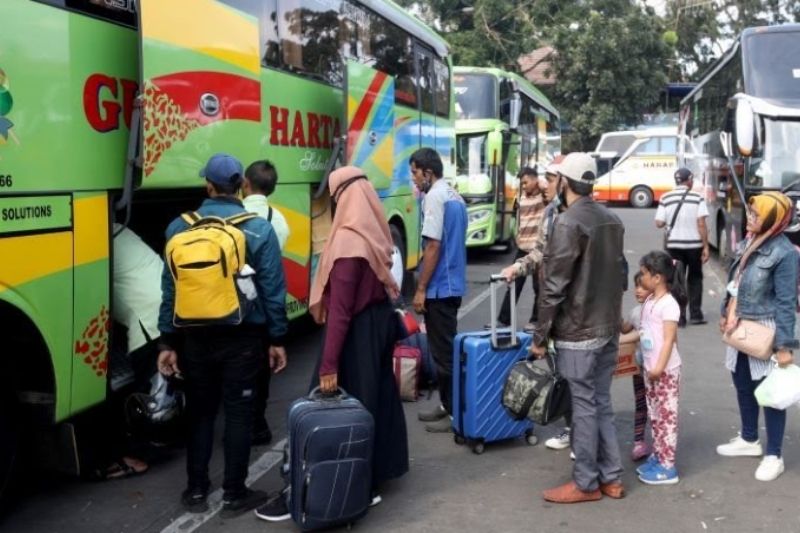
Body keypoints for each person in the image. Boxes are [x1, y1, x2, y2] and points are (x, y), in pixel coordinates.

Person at [255, 166, 408, 522]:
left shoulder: (348, 244)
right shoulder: (374, 233)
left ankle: (319, 489)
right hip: (378, 326)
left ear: (342, 198)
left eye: (335, 197)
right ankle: (372, 478)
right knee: (376, 398)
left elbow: (339, 312)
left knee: (324, 403)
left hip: (356, 332)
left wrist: (328, 364)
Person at [157, 153, 288, 517]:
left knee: (200, 413)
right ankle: (234, 493)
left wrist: (167, 342)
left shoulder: (178, 228)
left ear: (208, 185)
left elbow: (170, 289)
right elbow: (273, 290)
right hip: (243, 338)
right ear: (239, 187)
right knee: (239, 413)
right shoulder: (258, 229)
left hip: (194, 339)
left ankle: (196, 490)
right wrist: (277, 338)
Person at [529, 152, 627, 503]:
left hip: (578, 331)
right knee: (600, 401)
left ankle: (586, 483)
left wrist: (539, 338)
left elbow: (553, 287)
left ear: (565, 183)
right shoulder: (612, 220)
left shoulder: (568, 223)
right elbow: (622, 275)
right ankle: (611, 478)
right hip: (607, 327)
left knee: (584, 406)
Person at [716, 192, 798, 482]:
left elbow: (787, 302)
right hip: (739, 325)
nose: (749, 218)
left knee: (770, 393)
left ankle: (774, 455)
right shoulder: (749, 241)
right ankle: (750, 439)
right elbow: (734, 283)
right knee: (740, 381)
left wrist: (785, 345)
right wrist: (725, 310)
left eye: (756, 215)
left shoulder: (785, 253)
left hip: (764, 329)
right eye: (750, 213)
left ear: (774, 219)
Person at [500, 155, 571, 453]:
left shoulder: (590, 216)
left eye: (552, 179)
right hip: (559, 305)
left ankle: (585, 442)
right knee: (563, 370)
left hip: (581, 311)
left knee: (580, 377)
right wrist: (518, 267)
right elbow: (540, 252)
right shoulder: (552, 213)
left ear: (566, 181)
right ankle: (573, 428)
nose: (545, 185)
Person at [88, 224, 163, 480]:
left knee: (147, 395)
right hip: (165, 308)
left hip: (147, 319)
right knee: (165, 383)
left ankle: (140, 456)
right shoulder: (119, 230)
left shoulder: (93, 238)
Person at [410, 148, 468, 433]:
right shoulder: (453, 194)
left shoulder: (434, 197)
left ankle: (455, 413)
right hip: (453, 283)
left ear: (427, 172)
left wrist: (421, 288)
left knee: (444, 355)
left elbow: (432, 245)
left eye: (415, 172)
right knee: (446, 352)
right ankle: (448, 405)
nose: (414, 178)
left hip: (440, 288)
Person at [242, 159, 290, 446]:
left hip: (235, 305)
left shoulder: (233, 216)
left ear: (245, 184)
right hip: (263, 305)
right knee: (261, 370)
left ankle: (241, 424)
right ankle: (258, 423)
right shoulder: (279, 220)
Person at [636, 251, 684, 485]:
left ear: (657, 278)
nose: (641, 278)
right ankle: (658, 454)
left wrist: (659, 367)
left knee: (666, 417)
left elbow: (668, 340)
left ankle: (668, 465)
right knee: (655, 415)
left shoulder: (669, 304)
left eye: (644, 273)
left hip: (664, 371)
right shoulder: (650, 301)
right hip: (651, 369)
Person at [490, 166, 545, 332]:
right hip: (522, 248)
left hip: (537, 250)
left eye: (526, 182)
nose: (524, 186)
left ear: (535, 179)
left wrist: (541, 183)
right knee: (512, 283)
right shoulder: (520, 197)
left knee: (539, 287)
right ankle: (503, 320)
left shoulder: (544, 195)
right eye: (522, 183)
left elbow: (547, 186)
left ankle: (535, 321)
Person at [654, 168, 710, 325]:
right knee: (695, 278)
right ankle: (696, 315)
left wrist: (670, 222)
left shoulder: (666, 197)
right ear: (690, 180)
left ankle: (679, 317)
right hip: (694, 246)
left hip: (673, 247)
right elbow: (701, 223)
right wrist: (705, 246)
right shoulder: (697, 198)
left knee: (676, 280)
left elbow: (658, 223)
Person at [619, 272, 653, 462]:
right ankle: (639, 442)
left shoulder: (656, 310)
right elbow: (625, 327)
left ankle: (659, 442)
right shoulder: (635, 311)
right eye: (637, 286)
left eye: (643, 287)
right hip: (639, 368)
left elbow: (640, 333)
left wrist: (621, 339)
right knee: (641, 405)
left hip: (656, 368)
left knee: (655, 406)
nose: (638, 290)